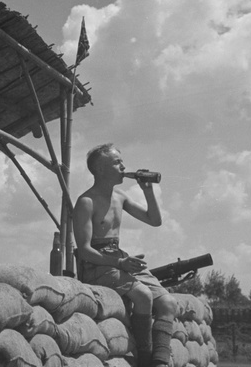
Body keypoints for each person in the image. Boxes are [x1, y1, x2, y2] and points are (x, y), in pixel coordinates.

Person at [73, 143, 177, 367]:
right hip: (97, 263)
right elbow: (84, 250)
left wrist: (148, 190)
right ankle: (146, 358)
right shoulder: (86, 202)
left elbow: (154, 220)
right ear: (100, 169)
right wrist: (119, 263)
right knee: (143, 296)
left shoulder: (120, 197)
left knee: (168, 303)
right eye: (117, 162)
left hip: (120, 258)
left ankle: (161, 359)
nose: (124, 166)